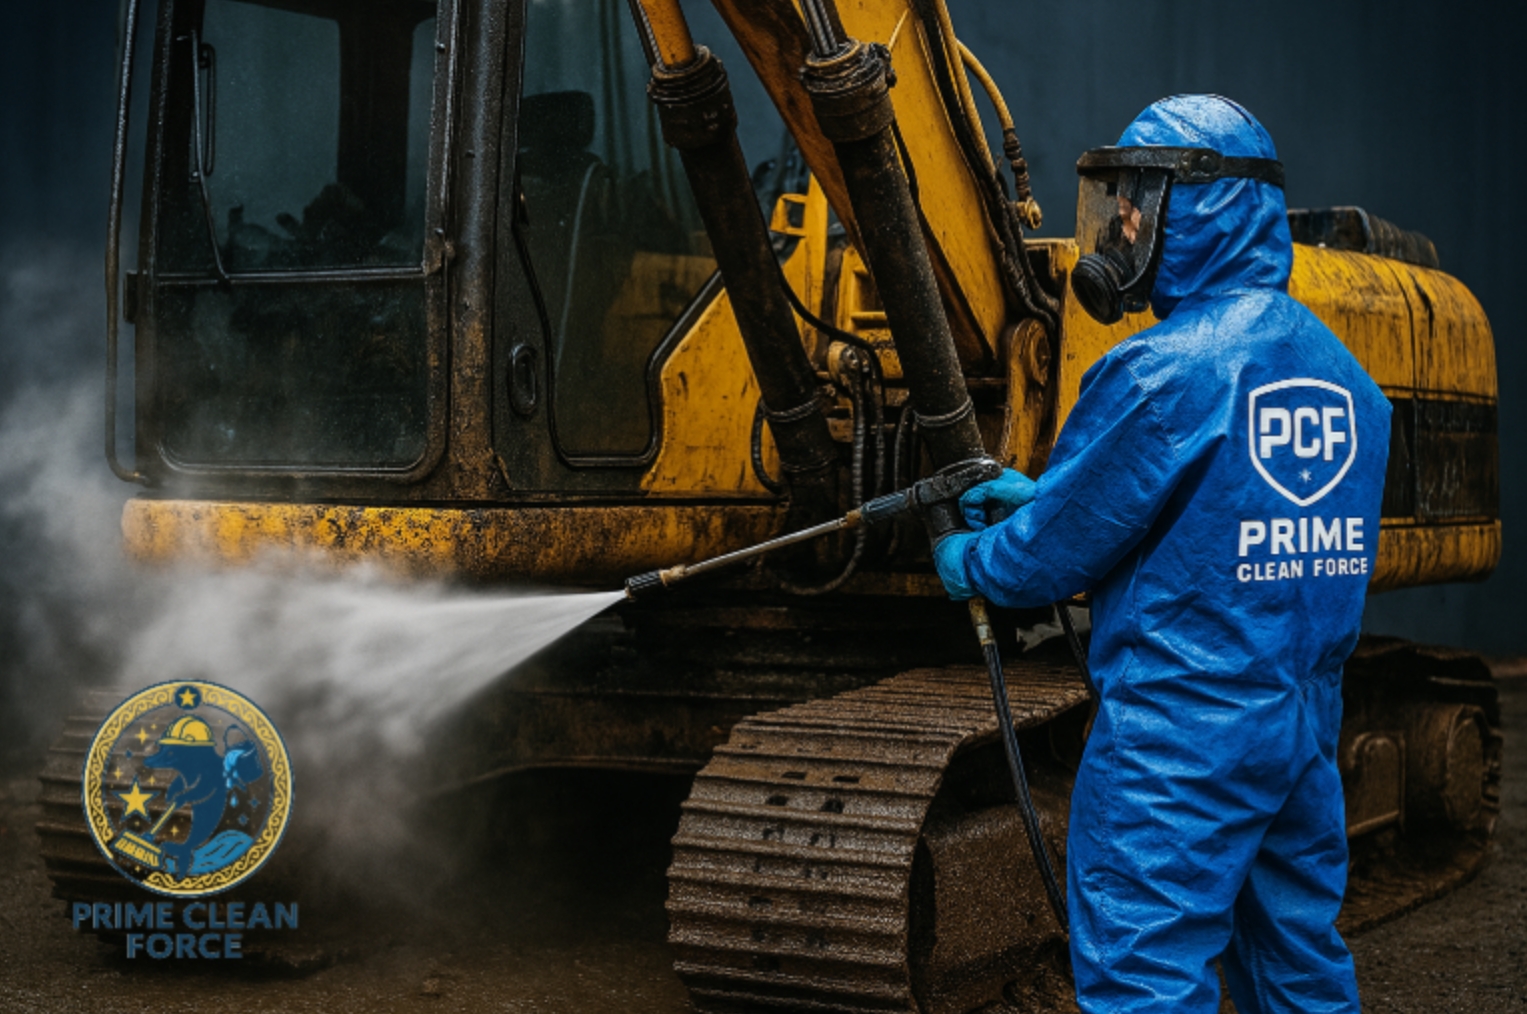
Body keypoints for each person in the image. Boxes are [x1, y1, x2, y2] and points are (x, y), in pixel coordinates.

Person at [935, 94, 1390, 1014]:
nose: (1123, 222)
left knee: (1145, 967)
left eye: (1138, 199)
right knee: (1295, 952)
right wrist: (1057, 497)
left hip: (1179, 736)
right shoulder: (1343, 377)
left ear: (1202, 207)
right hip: (1299, 718)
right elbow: (1223, 511)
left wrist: (977, 558)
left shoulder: (1160, 369)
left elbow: (1043, 562)